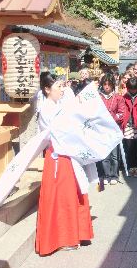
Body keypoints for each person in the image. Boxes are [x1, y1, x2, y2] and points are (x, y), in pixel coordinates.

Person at [36, 72, 93, 255]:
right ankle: (63, 238)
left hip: (65, 154)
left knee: (72, 194)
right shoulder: (46, 108)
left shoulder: (56, 105)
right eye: (58, 86)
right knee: (63, 198)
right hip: (58, 157)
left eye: (62, 86)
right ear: (46, 89)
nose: (62, 89)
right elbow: (60, 131)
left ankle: (74, 234)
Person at [99, 74, 126, 185]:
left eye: (109, 84)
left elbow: (122, 112)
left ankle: (114, 175)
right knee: (105, 154)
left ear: (112, 85)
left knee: (114, 155)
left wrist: (113, 118)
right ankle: (106, 175)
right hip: (102, 129)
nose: (107, 87)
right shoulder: (98, 97)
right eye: (105, 84)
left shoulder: (118, 97)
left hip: (114, 129)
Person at [122, 77, 137, 177]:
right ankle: (131, 167)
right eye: (131, 88)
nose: (133, 90)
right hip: (128, 126)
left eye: (134, 88)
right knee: (129, 148)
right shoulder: (124, 97)